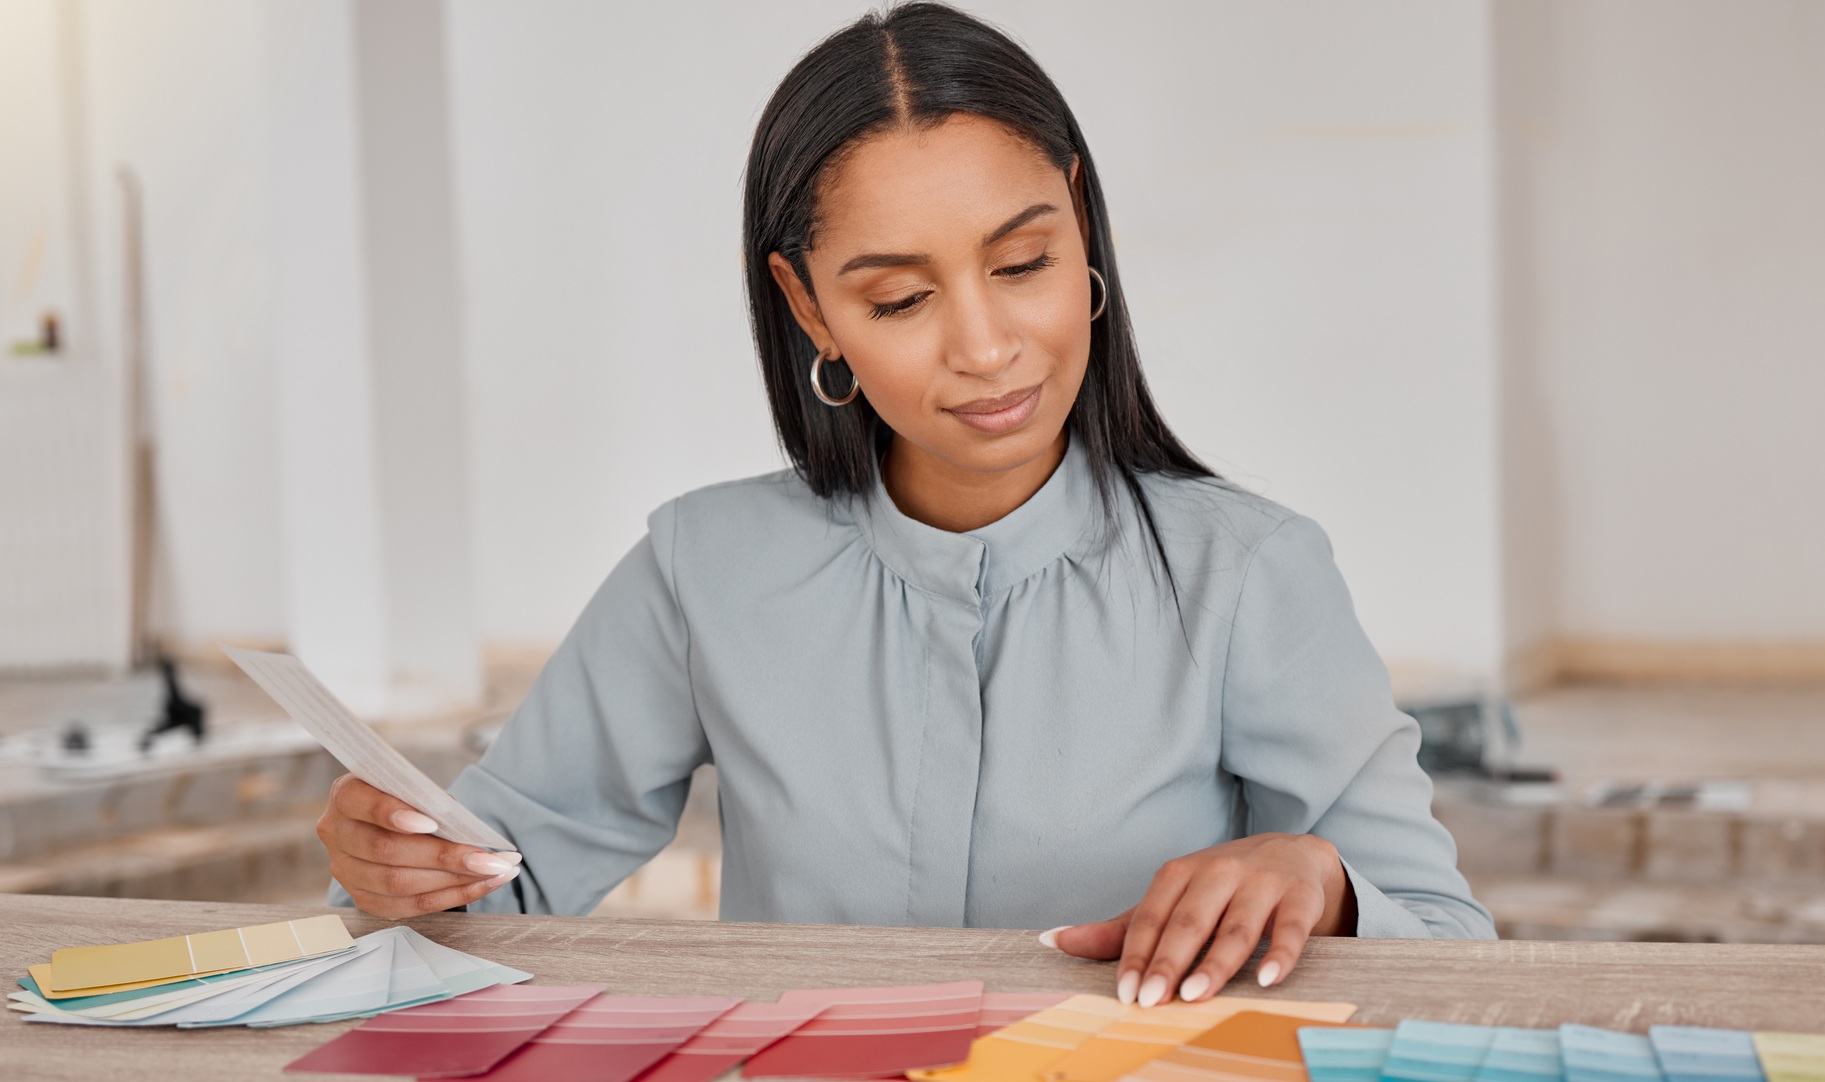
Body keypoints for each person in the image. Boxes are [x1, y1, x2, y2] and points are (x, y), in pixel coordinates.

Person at [318, 1, 1494, 1010]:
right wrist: (394, 868)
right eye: (897, 298)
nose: (985, 348)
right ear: (810, 308)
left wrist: (1322, 883)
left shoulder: (1247, 575)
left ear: (1080, 224)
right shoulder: (702, 569)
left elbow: (1449, 950)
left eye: (1022, 264)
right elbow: (495, 891)